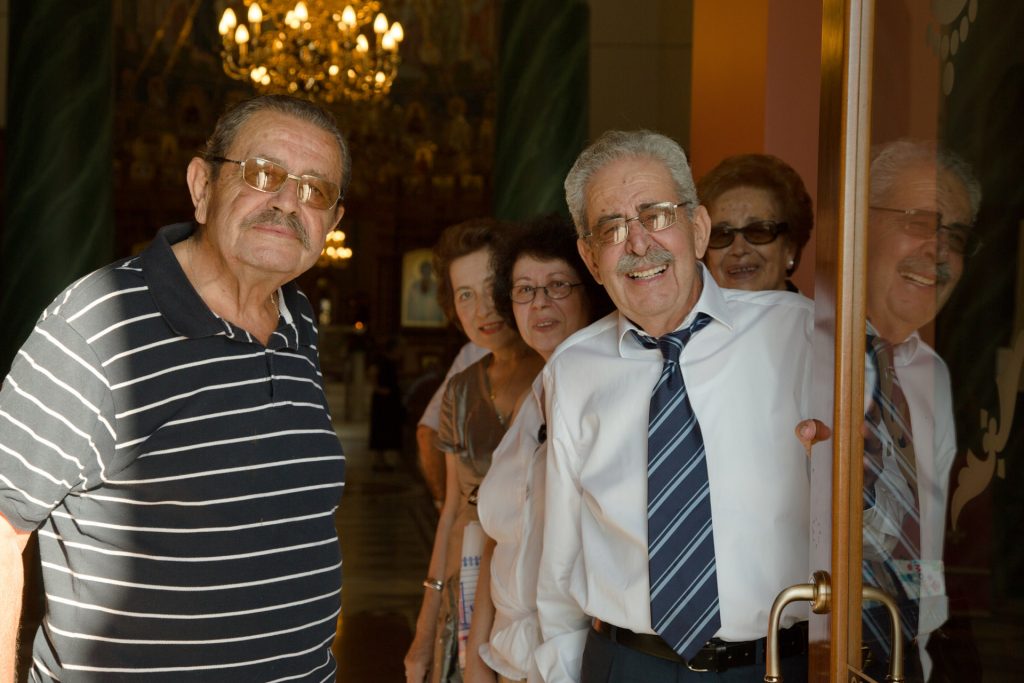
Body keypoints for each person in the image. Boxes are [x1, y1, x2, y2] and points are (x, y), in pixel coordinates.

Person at [0, 95, 350, 681]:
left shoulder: (299, 324)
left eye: (315, 190)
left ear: (332, 224)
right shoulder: (99, 323)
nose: (289, 201)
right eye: (263, 174)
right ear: (202, 186)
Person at [535, 130, 814, 683]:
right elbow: (559, 556)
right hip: (626, 664)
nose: (639, 244)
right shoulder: (572, 369)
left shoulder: (804, 336)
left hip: (773, 665)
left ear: (699, 228)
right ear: (590, 258)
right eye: (611, 229)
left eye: (657, 215)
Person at [463, 215, 614, 683]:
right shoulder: (532, 401)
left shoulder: (610, 397)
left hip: (579, 661)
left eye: (558, 286)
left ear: (591, 291)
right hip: (508, 659)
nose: (540, 303)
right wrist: (476, 660)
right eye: (524, 290)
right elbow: (498, 540)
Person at [858, 139, 980, 681]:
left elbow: (921, 534)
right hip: (804, 654)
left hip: (903, 656)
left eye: (956, 237)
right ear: (860, 225)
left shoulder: (932, 376)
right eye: (920, 222)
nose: (939, 251)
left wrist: (920, 646)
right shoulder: (797, 353)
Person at [404, 219, 545, 683]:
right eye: (465, 295)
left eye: (492, 288)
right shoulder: (460, 390)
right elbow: (452, 514)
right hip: (464, 588)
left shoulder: (558, 372)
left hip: (537, 594)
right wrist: (426, 630)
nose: (483, 308)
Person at [697, 153, 813, 292]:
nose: (739, 250)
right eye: (722, 235)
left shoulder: (818, 307)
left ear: (790, 249)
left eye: (758, 232)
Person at [416, 341, 489, 505]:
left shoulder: (475, 350)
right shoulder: (474, 352)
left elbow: (427, 433)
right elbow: (427, 432)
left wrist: (441, 502)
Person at [369, 336, 405, 472]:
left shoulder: (394, 362)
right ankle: (379, 461)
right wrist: (378, 389)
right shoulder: (381, 360)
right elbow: (372, 374)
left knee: (389, 430)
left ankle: (386, 461)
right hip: (382, 401)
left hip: (391, 401)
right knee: (380, 430)